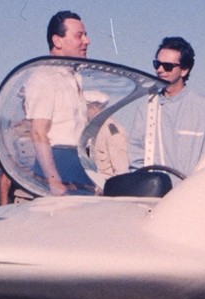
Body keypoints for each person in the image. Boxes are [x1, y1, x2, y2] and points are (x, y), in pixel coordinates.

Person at [127, 36, 205, 176]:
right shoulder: (145, 109)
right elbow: (136, 158)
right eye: (157, 64)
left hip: (195, 189)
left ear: (184, 70)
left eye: (168, 66)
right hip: (156, 190)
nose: (160, 70)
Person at [24, 10, 96, 194]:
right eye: (79, 36)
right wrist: (53, 180)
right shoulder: (43, 77)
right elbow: (38, 132)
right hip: (58, 165)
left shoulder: (74, 77)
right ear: (57, 41)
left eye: (86, 35)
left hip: (80, 165)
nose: (87, 41)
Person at [84, 90, 130, 177]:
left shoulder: (112, 132)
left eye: (83, 109)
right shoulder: (91, 131)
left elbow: (122, 172)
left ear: (93, 109)